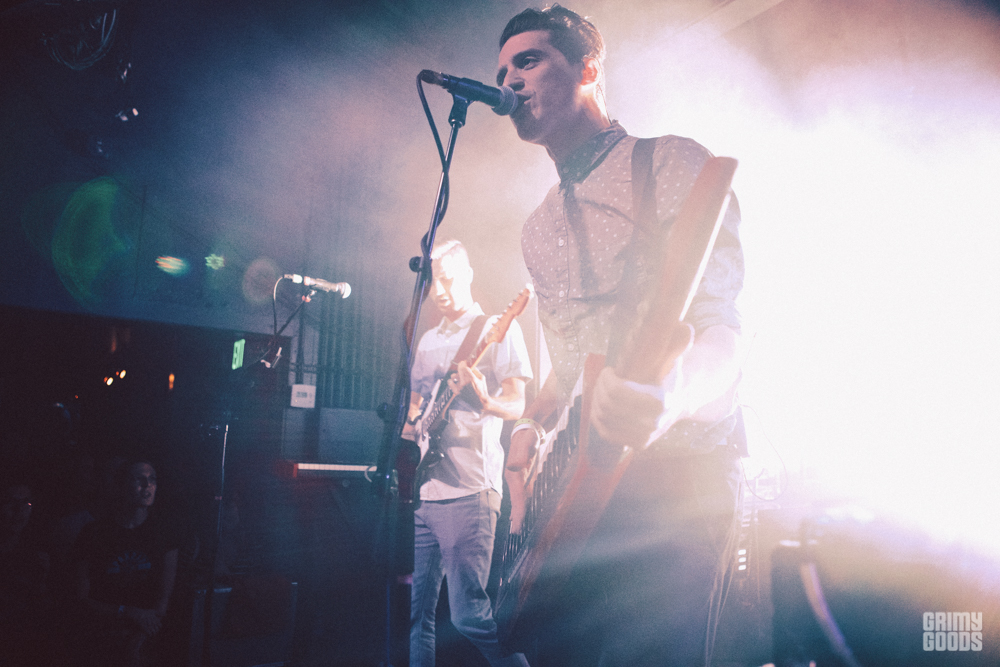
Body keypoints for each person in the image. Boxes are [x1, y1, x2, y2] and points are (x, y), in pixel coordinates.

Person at [496, 6, 746, 667]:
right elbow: (568, 369)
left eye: (528, 60)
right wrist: (528, 428)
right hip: (577, 492)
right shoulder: (536, 227)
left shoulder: (669, 161)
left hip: (676, 479)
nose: (509, 79)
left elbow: (722, 330)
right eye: (501, 70)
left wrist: (671, 397)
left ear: (588, 69)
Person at [404, 239, 532, 667]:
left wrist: (486, 400)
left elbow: (518, 402)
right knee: (418, 617)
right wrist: (412, 428)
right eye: (433, 281)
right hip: (426, 491)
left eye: (447, 279)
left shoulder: (496, 328)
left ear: (468, 274)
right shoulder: (426, 340)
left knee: (467, 615)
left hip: (470, 491)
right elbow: (415, 405)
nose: (439, 290)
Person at [72, 458, 180, 667]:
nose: (147, 485)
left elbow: (164, 600)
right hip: (100, 631)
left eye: (152, 479)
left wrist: (140, 637)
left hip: (147, 632)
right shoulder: (94, 533)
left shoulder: (165, 534)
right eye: (139, 479)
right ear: (121, 485)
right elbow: (81, 598)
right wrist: (127, 612)